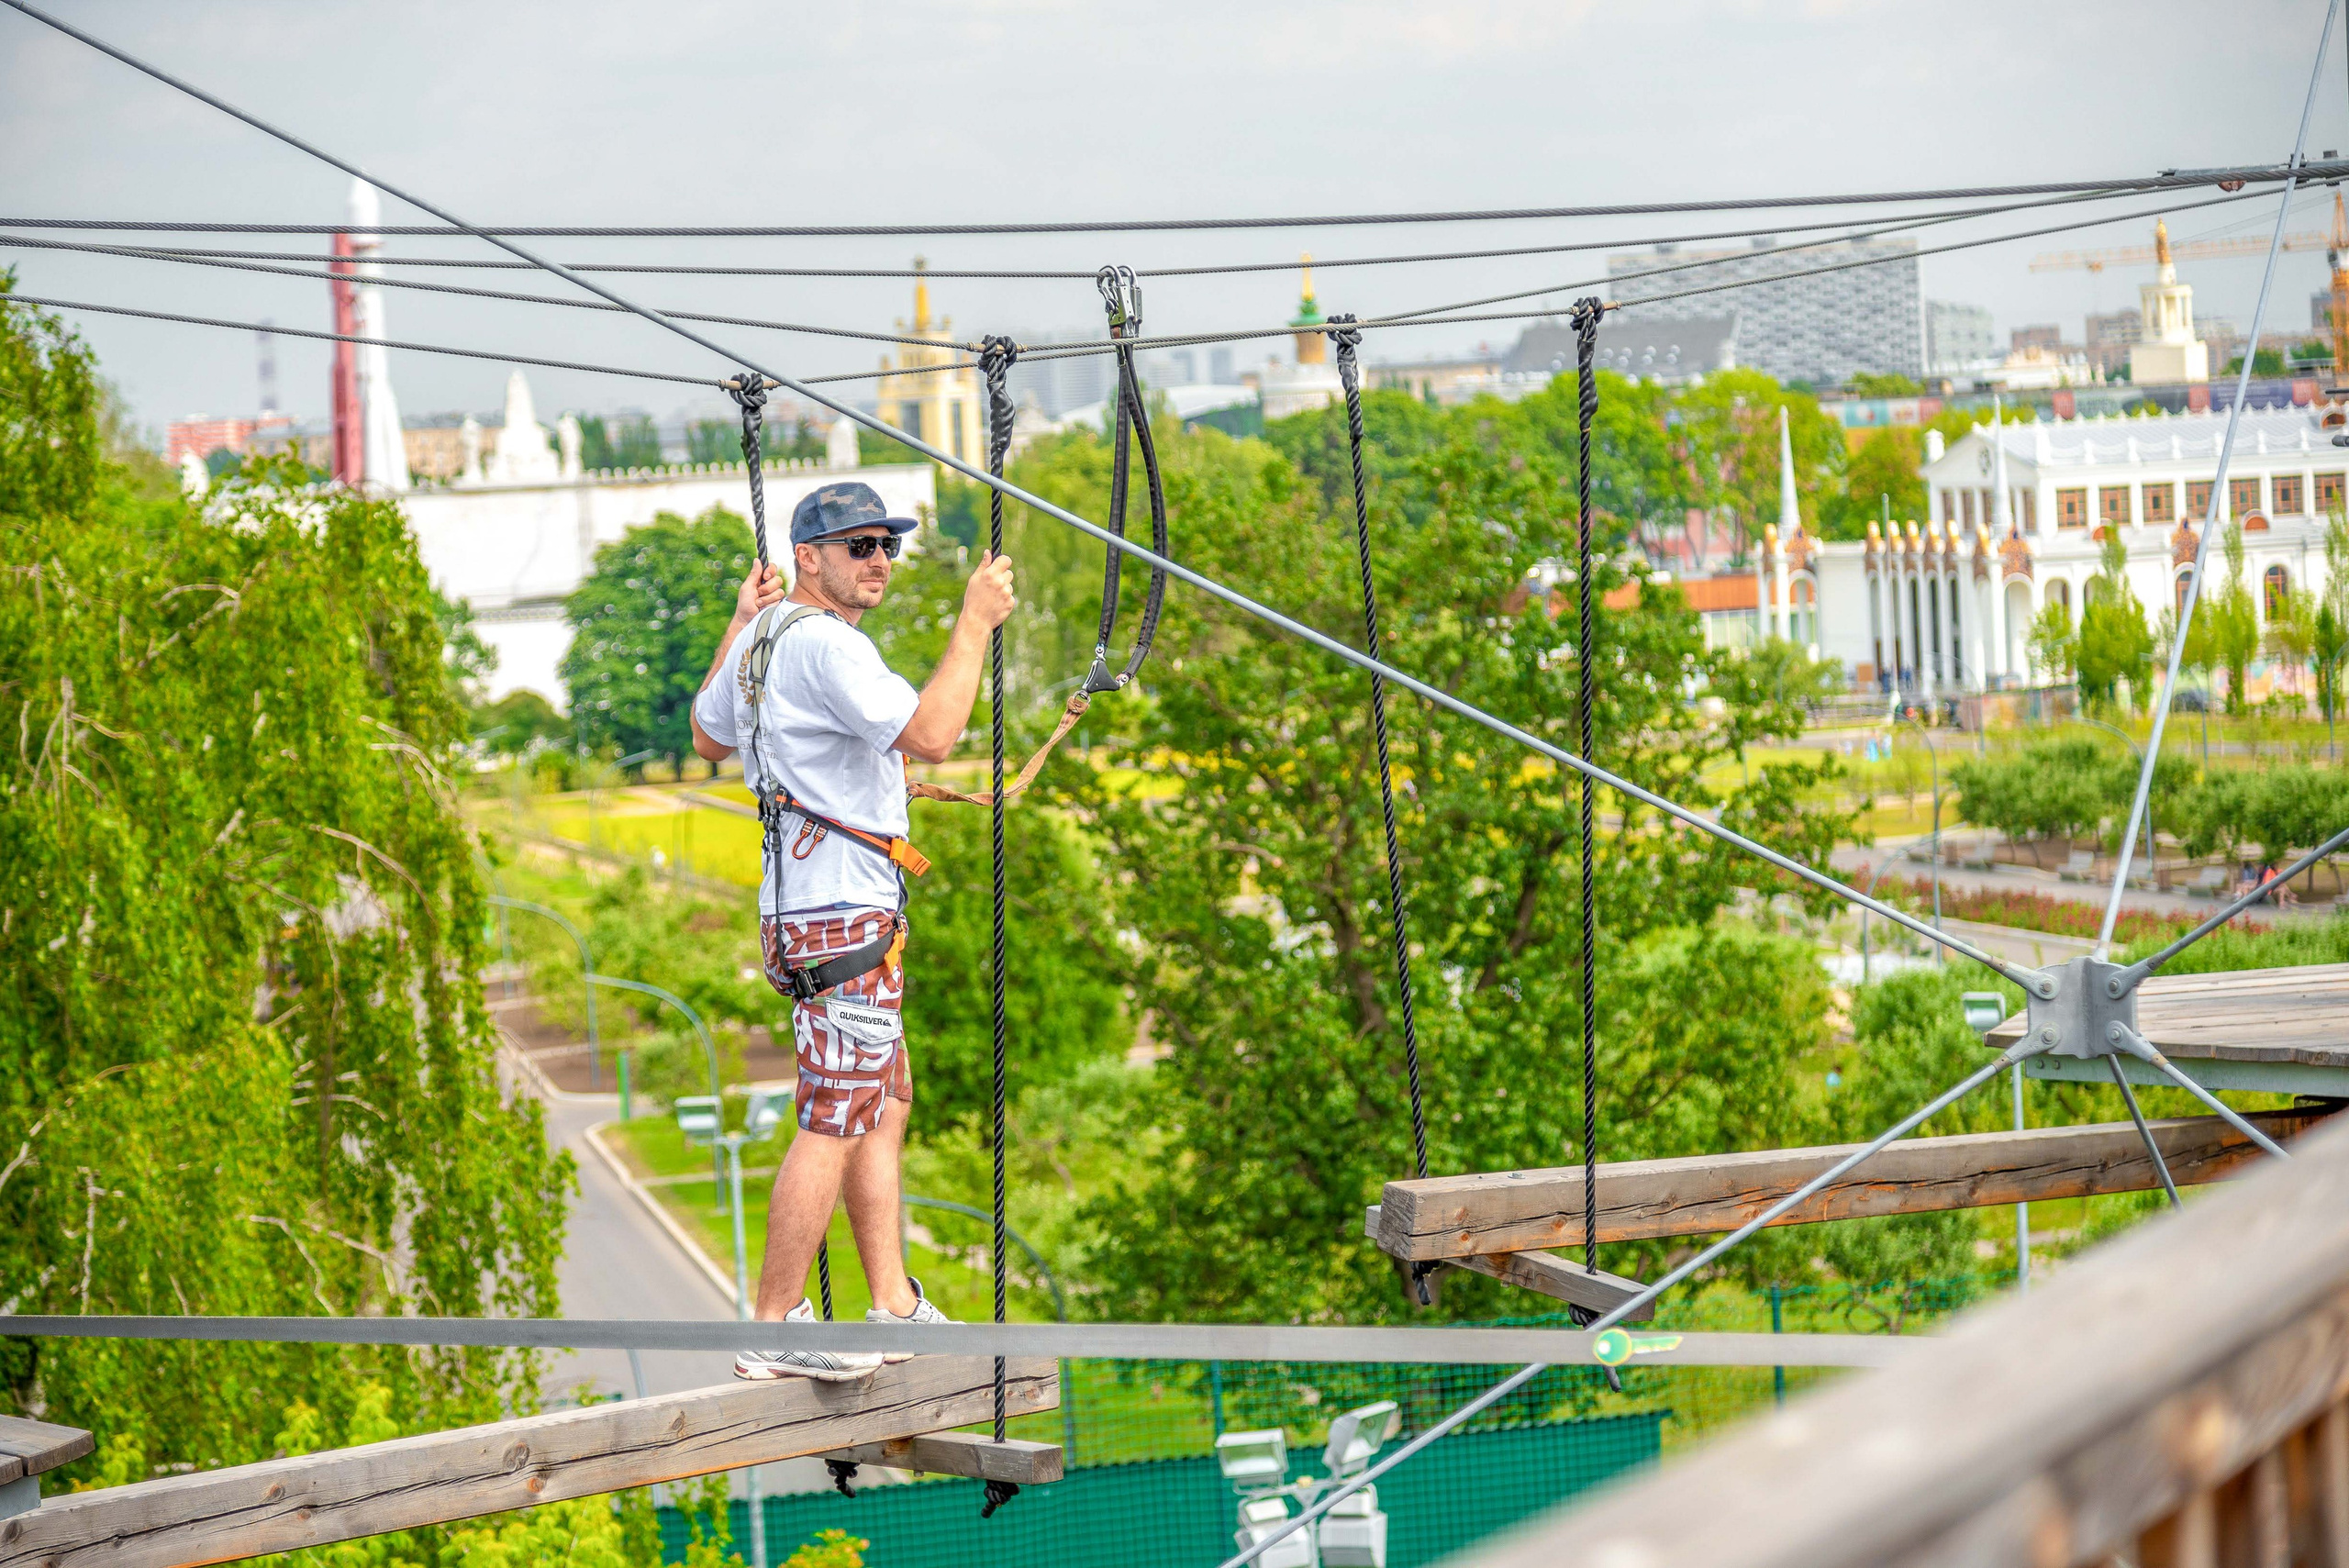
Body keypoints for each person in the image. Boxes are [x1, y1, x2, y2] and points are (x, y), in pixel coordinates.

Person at [689, 480, 1016, 1381]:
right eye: (858, 545)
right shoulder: (827, 644)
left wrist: (738, 620)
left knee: (884, 1096)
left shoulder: (763, 637)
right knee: (834, 1115)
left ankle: (894, 1304)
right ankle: (774, 1323)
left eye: (886, 545)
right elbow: (935, 732)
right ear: (809, 557)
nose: (878, 560)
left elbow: (708, 737)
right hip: (842, 916)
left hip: (810, 911)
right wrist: (974, 622)